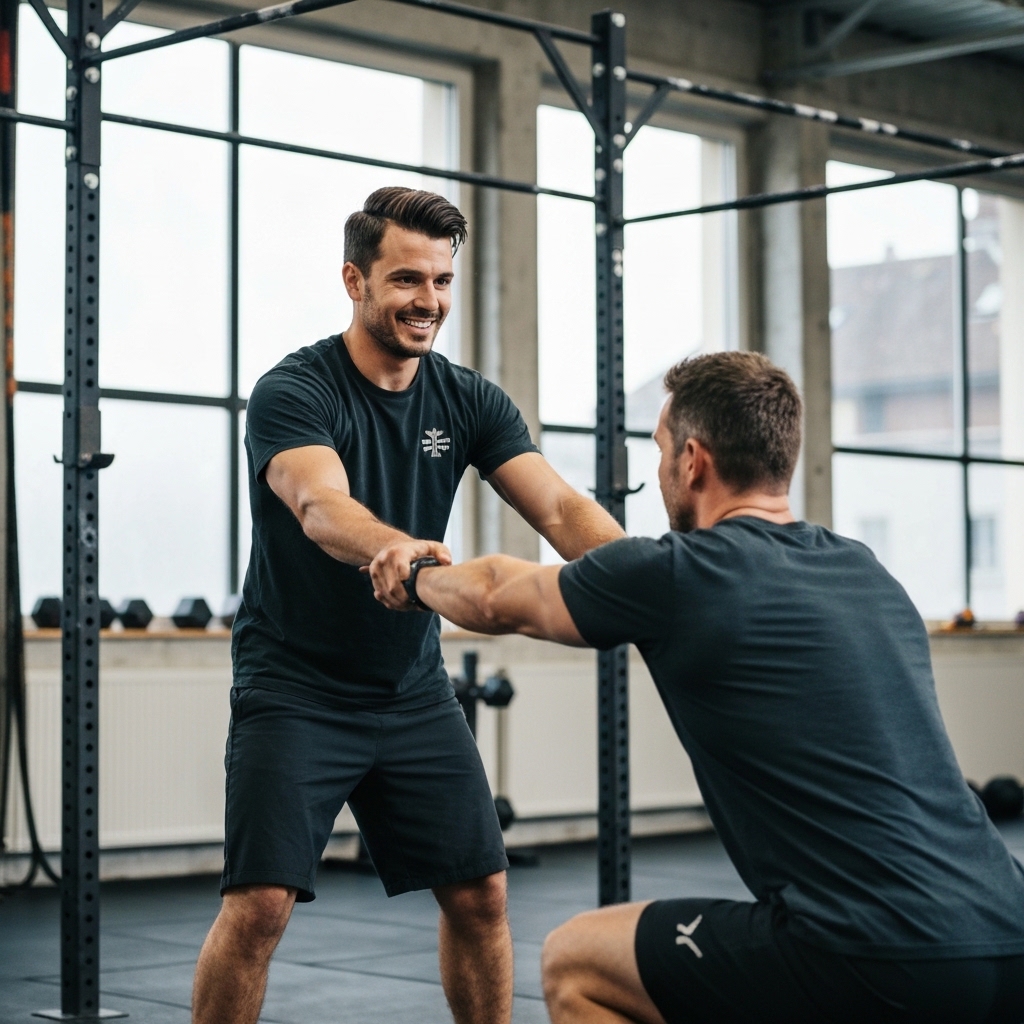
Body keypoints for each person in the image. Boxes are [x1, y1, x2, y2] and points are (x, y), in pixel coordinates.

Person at [383, 350, 1024, 1024]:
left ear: (693, 460)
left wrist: (415, 572)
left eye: (660, 449)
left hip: (876, 956)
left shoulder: (680, 574)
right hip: (1008, 931)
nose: (661, 468)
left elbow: (492, 595)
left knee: (578, 961)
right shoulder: (866, 572)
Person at [191, 186, 625, 1024]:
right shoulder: (295, 389)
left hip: (411, 690)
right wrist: (398, 548)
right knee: (259, 909)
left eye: (441, 281)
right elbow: (320, 506)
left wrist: (656, 572)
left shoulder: (469, 400)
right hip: (295, 687)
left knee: (481, 897)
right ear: (355, 281)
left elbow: (563, 511)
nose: (428, 301)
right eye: (406, 281)